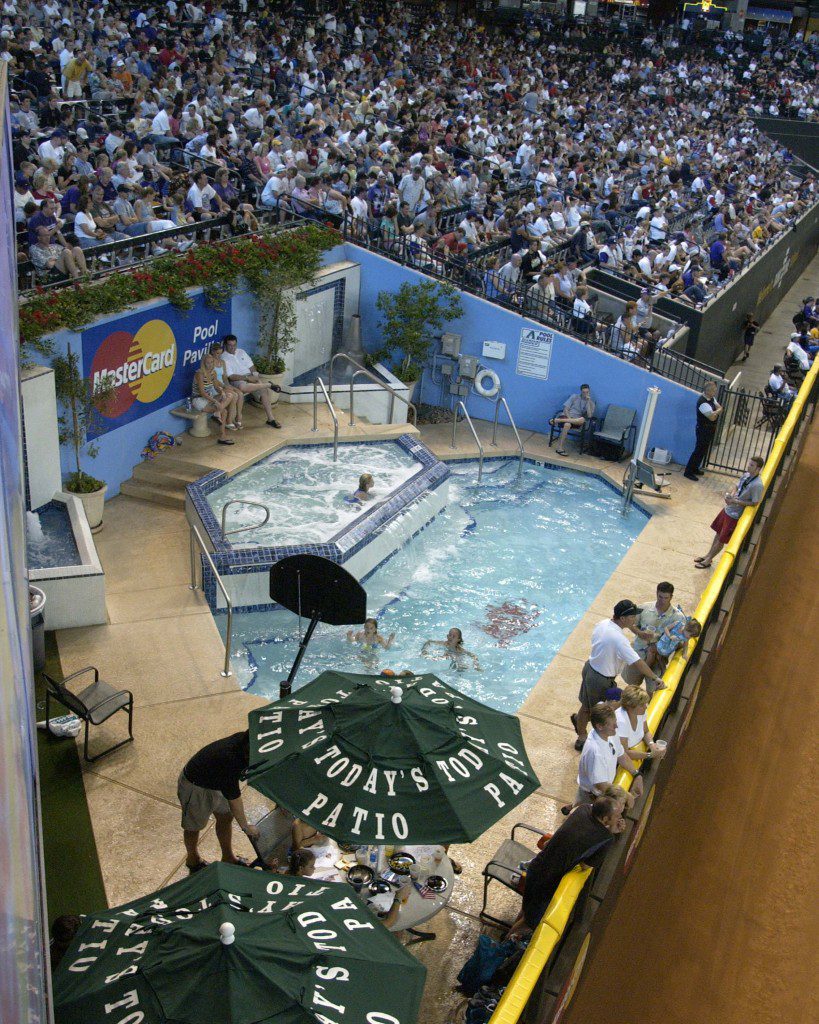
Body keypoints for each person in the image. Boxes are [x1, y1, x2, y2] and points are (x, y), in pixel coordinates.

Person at [506, 795, 624, 937]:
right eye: (617, 816)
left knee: (528, 908)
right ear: (605, 819)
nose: (619, 818)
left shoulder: (583, 809)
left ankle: (513, 930)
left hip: (536, 866)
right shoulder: (606, 839)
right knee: (530, 922)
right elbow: (585, 866)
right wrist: (610, 832)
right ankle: (507, 941)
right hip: (548, 881)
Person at [572, 601, 666, 751]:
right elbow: (638, 662)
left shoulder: (603, 624)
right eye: (632, 616)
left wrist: (639, 633)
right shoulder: (619, 640)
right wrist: (655, 678)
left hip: (590, 668)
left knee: (590, 706)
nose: (635, 618)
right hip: (600, 679)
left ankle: (580, 726)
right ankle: (583, 736)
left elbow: (616, 637)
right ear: (623, 619)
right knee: (596, 711)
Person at [177, 729, 260, 873]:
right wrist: (246, 827)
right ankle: (193, 860)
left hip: (217, 781)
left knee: (226, 817)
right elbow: (234, 799)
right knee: (193, 827)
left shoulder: (247, 743)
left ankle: (228, 857)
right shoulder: (230, 758)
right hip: (196, 785)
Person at [695, 456, 765, 568]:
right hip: (728, 509)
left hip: (734, 515)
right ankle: (708, 555)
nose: (749, 466)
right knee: (718, 533)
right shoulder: (746, 475)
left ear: (758, 469)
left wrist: (736, 501)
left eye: (752, 465)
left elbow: (755, 502)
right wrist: (731, 496)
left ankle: (708, 560)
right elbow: (736, 487)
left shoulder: (757, 485)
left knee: (722, 539)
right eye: (749, 464)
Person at [574, 703, 642, 805]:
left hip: (601, 790)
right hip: (592, 798)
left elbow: (621, 755)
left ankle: (572, 805)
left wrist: (636, 774)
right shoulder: (595, 751)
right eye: (612, 724)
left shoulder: (609, 733)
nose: (616, 726)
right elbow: (601, 785)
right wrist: (625, 795)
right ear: (600, 726)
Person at [622, 582, 685, 690]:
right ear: (656, 593)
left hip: (658, 659)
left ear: (671, 597)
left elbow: (681, 641)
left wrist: (661, 646)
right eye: (660, 597)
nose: (662, 601)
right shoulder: (644, 608)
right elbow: (630, 624)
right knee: (632, 686)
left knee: (654, 690)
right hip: (638, 653)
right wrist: (639, 633)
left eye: (666, 598)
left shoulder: (678, 617)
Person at [614, 686, 667, 798]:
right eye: (642, 705)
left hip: (635, 756)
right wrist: (649, 755)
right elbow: (624, 753)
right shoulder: (621, 721)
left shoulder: (640, 712)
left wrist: (652, 745)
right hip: (617, 763)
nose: (645, 707)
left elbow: (646, 731)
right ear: (630, 707)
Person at [221, 334, 282, 428]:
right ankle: (268, 385)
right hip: (238, 379)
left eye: (234, 345)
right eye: (230, 345)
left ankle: (271, 419)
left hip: (250, 377)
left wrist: (255, 376)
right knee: (242, 387)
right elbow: (231, 376)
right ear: (225, 345)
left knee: (263, 391)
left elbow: (251, 367)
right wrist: (247, 378)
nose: (233, 347)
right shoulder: (224, 357)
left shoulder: (241, 352)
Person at [192, 352, 237, 445]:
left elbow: (216, 386)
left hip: (209, 397)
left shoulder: (213, 373)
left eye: (212, 362)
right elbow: (202, 393)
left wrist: (222, 392)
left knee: (229, 395)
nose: (210, 364)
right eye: (208, 363)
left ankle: (218, 413)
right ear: (204, 363)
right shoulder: (199, 374)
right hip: (199, 399)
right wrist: (215, 401)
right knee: (224, 411)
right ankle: (223, 436)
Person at [684, 381, 723, 481]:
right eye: (713, 390)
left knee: (703, 450)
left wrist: (715, 412)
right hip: (703, 429)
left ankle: (695, 468)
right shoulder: (703, 403)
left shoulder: (711, 399)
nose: (715, 391)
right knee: (698, 450)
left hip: (709, 429)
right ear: (708, 391)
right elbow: (712, 418)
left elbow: (720, 408)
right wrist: (716, 412)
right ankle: (688, 471)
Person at [550, 384, 595, 456]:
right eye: (584, 392)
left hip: (577, 420)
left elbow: (589, 416)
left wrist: (588, 402)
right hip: (567, 416)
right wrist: (569, 419)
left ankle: (557, 420)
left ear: (589, 392)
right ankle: (559, 448)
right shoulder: (574, 397)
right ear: (581, 392)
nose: (585, 394)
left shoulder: (591, 403)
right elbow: (565, 409)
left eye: (587, 392)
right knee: (567, 424)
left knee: (582, 419)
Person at [210, 340, 244, 428]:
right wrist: (225, 387)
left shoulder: (222, 362)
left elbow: (224, 377)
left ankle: (237, 418)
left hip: (223, 385)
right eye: (217, 353)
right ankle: (228, 421)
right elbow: (212, 380)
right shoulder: (210, 362)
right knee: (234, 395)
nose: (218, 356)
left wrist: (229, 386)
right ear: (212, 352)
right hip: (215, 387)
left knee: (240, 393)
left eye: (220, 354)